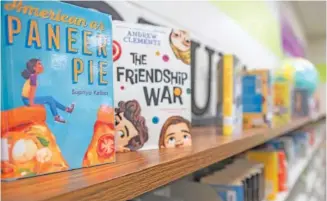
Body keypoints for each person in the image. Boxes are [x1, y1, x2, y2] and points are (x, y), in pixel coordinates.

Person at [21, 58, 74, 123]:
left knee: (50, 99)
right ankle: (57, 117)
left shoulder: (33, 76)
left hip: (27, 98)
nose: (42, 65)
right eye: (39, 64)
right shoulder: (33, 77)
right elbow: (32, 93)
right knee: (50, 99)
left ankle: (67, 110)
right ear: (34, 68)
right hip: (27, 100)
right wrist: (32, 106)